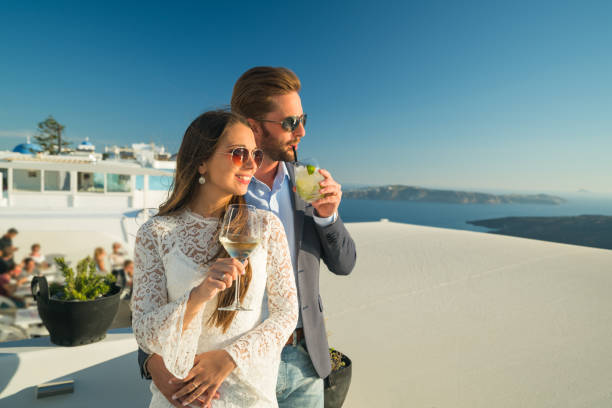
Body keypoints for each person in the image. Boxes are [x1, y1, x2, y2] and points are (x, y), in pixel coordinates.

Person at [142, 67, 356, 407]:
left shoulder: (308, 181)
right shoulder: (224, 188)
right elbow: (166, 289)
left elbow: (345, 264)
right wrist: (152, 362)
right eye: (288, 122)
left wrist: (328, 217)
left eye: (303, 119)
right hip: (219, 372)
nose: (301, 131)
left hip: (303, 358)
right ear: (254, 125)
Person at [132, 110, 298, 408]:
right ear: (201, 160)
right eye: (238, 153)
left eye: (255, 154)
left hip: (249, 395)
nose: (251, 164)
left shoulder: (266, 225)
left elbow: (286, 314)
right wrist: (197, 297)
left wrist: (228, 359)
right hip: (183, 397)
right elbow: (144, 331)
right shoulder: (155, 233)